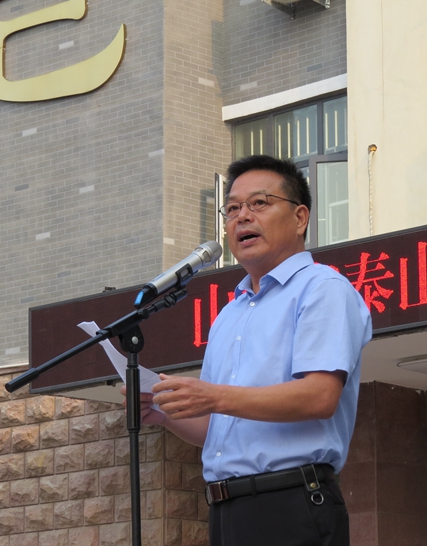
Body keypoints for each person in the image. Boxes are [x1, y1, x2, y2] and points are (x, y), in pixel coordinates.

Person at [130, 155, 372, 546]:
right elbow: (217, 427)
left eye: (259, 203)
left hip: (291, 502)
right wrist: (164, 413)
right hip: (226, 508)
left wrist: (213, 396)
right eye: (232, 209)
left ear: (300, 218)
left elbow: (319, 396)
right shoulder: (230, 313)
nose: (242, 216)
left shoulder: (322, 288)